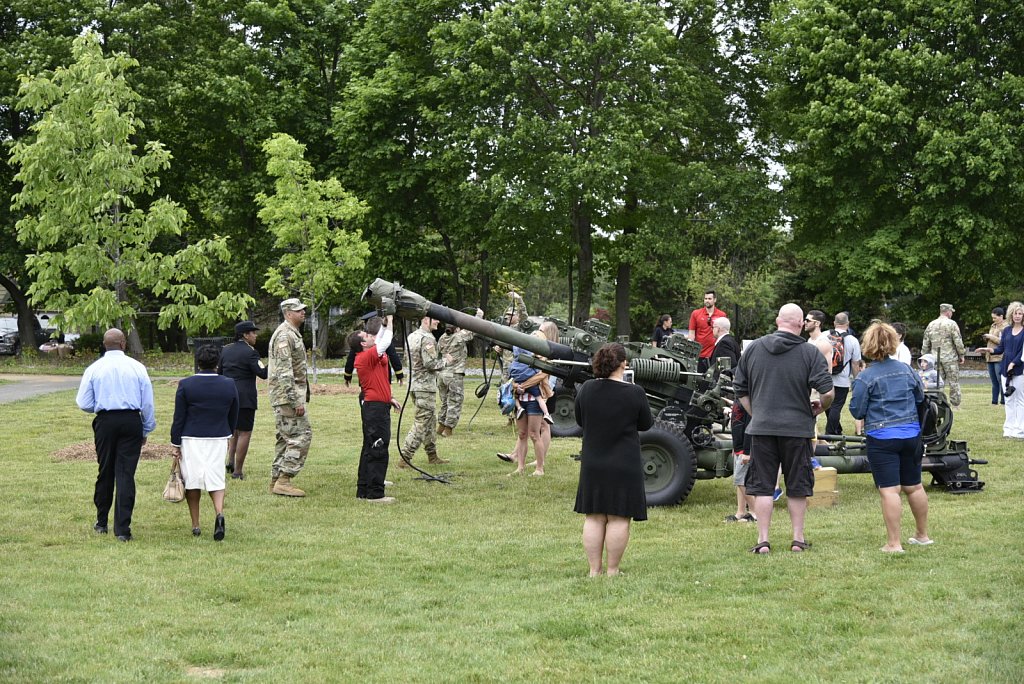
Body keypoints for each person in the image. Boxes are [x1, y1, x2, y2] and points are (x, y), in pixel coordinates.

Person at [733, 303, 834, 554]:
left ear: (778, 320)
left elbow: (740, 389)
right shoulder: (809, 353)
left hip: (762, 428)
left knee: (764, 485)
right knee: (798, 485)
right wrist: (819, 408)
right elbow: (828, 392)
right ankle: (798, 540)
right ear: (800, 324)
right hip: (798, 428)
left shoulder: (754, 348)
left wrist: (757, 413)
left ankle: (763, 540)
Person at [848, 321, 931, 553]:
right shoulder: (907, 370)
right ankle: (922, 535)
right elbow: (919, 397)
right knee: (914, 486)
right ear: (894, 342)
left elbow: (857, 411)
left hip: (882, 436)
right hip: (911, 433)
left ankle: (894, 543)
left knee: (889, 490)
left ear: (869, 346)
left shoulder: (866, 377)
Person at [573, 343, 653, 576]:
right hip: (624, 462)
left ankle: (593, 570)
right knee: (619, 517)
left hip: (593, 460)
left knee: (594, 516)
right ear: (623, 364)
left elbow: (580, 420)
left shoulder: (586, 389)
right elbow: (645, 424)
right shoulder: (635, 392)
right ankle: (612, 570)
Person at [76, 329, 157, 542]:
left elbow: (83, 402)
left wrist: (102, 407)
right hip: (131, 421)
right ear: (123, 344)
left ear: (104, 345)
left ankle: (101, 521)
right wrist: (146, 428)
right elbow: (147, 402)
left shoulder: (94, 369)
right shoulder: (137, 367)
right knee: (125, 474)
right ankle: (122, 529)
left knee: (105, 470)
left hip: (105, 421)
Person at [171, 345, 239, 540]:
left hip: (191, 437)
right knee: (216, 477)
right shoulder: (229, 384)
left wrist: (175, 443)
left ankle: (196, 524)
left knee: (192, 480)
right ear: (217, 363)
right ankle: (219, 513)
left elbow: (179, 417)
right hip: (218, 436)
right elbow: (234, 412)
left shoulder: (186, 384)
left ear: (197, 362)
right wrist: (228, 432)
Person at [348, 314, 403, 503]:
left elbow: (380, 338)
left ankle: (364, 489)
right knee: (378, 447)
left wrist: (390, 399)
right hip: (375, 409)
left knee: (369, 448)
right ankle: (375, 493)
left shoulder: (367, 354)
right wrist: (391, 320)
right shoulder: (365, 356)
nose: (371, 336)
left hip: (378, 405)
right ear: (363, 344)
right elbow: (385, 340)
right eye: (367, 336)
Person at [268, 298, 312, 496]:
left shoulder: (291, 333)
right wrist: (295, 400)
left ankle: (276, 480)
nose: (303, 312)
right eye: (298, 310)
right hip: (287, 397)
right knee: (301, 436)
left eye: (303, 309)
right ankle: (285, 479)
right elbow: (284, 371)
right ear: (287, 313)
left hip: (286, 395)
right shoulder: (285, 335)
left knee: (285, 438)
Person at [218, 320, 268, 480]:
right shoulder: (251, 352)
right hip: (245, 397)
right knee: (245, 432)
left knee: (232, 430)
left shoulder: (225, 350)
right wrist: (272, 362)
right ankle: (238, 471)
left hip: (226, 395)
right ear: (245, 335)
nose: (256, 335)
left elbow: (219, 373)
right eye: (253, 332)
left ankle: (230, 460)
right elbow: (263, 373)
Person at [400, 316, 452, 467]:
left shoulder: (412, 336)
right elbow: (430, 364)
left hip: (415, 386)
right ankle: (405, 457)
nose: (438, 322)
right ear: (425, 320)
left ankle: (432, 456)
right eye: (435, 319)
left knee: (430, 422)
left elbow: (407, 358)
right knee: (422, 423)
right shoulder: (428, 339)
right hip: (425, 388)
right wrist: (446, 361)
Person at [508, 327, 557, 476]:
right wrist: (517, 386)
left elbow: (543, 375)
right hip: (521, 399)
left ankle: (539, 468)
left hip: (534, 400)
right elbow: (512, 378)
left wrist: (524, 385)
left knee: (534, 434)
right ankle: (520, 468)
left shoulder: (542, 359)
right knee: (522, 434)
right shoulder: (519, 358)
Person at [436, 308, 483, 436]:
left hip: (442, 374)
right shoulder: (459, 337)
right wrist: (479, 315)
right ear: (457, 328)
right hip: (454, 374)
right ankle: (448, 429)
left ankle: (440, 426)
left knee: (445, 401)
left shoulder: (441, 338)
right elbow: (474, 327)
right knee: (455, 401)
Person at [986, 301, 1024, 439]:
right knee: (1008, 399)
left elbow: (1022, 352)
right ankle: (1008, 430)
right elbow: (1001, 348)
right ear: (1011, 314)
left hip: (1019, 368)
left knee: (1019, 400)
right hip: (1005, 368)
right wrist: (990, 350)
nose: (1018, 316)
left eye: (1020, 314)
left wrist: (1014, 363)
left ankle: (1019, 431)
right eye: (1016, 313)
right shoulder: (1006, 330)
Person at [921, 303, 966, 408]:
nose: (951, 314)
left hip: (934, 358)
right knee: (953, 382)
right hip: (950, 358)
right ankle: (955, 404)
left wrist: (925, 357)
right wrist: (961, 354)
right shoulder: (952, 324)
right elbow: (958, 341)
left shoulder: (931, 324)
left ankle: (936, 402)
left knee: (937, 382)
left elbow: (926, 343)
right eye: (951, 312)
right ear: (948, 311)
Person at [824, 312, 861, 435]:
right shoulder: (853, 340)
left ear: (834, 323)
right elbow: (855, 364)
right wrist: (856, 380)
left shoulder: (824, 336)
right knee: (836, 407)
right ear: (848, 324)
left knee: (828, 405)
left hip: (825, 377)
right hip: (842, 380)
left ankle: (836, 429)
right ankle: (830, 434)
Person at [344, 311, 403, 388]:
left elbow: (351, 359)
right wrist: (399, 374)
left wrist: (348, 375)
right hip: (379, 379)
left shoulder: (364, 342)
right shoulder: (363, 344)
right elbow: (392, 353)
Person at [687, 290, 726, 373]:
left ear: (714, 300)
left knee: (716, 378)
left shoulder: (722, 315)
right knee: (699, 379)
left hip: (716, 354)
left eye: (709, 298)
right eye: (705, 298)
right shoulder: (696, 313)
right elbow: (691, 333)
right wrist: (690, 351)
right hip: (700, 354)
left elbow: (724, 334)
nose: (707, 300)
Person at [982, 307, 1009, 405]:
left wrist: (991, 337)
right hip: (990, 357)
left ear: (1001, 316)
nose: (993, 320)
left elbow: (1003, 342)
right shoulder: (993, 326)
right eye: (992, 318)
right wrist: (986, 338)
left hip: (999, 357)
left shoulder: (1006, 327)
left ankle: (1003, 401)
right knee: (994, 381)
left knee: (1000, 380)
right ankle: (994, 401)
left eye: (995, 318)